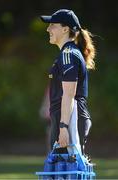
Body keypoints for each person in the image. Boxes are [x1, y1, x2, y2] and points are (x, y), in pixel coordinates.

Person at [40, 9, 96, 155]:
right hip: (66, 120)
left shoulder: (68, 55)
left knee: (67, 174)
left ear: (65, 29)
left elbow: (69, 95)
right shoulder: (67, 54)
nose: (48, 29)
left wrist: (64, 127)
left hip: (69, 121)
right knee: (62, 174)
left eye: (52, 25)